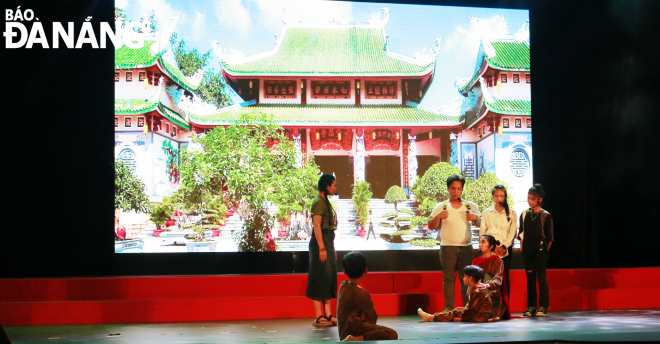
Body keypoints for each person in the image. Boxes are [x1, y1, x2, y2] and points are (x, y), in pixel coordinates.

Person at [428, 174, 482, 312]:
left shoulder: (470, 206)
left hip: (466, 248)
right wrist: (439, 216)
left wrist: (476, 218)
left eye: (459, 188)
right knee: (449, 279)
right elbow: (431, 225)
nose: (456, 191)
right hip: (447, 248)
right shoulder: (441, 206)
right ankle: (449, 309)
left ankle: (468, 307)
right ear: (448, 189)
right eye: (453, 188)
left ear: (462, 190)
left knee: (467, 279)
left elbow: (483, 222)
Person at [338, 252, 398, 342]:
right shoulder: (361, 293)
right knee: (392, 334)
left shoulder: (343, 286)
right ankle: (358, 338)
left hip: (343, 333)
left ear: (344, 271)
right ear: (365, 270)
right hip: (354, 331)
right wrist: (363, 319)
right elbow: (372, 319)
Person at [479, 184, 517, 317]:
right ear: (493, 196)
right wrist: (492, 248)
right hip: (490, 252)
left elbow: (512, 233)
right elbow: (483, 232)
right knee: (489, 280)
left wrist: (503, 247)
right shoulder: (487, 212)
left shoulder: (511, 213)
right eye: (496, 196)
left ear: (505, 197)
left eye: (501, 196)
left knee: (503, 281)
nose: (499, 198)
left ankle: (503, 311)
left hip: (505, 252)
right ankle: (489, 310)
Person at [306, 174, 339, 327]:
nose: (335, 188)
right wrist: (322, 248)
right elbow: (317, 226)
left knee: (329, 276)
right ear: (327, 186)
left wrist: (331, 248)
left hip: (328, 240)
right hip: (321, 241)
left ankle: (328, 313)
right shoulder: (319, 202)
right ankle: (319, 315)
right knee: (319, 276)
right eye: (333, 185)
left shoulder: (326, 201)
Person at [519, 184, 554, 317]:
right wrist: (523, 247)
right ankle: (532, 306)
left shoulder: (546, 215)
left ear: (539, 199)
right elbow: (521, 233)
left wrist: (544, 251)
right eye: (528, 198)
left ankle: (543, 306)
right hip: (527, 252)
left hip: (540, 251)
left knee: (541, 278)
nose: (530, 201)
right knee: (530, 279)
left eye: (532, 199)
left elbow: (549, 238)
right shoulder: (524, 214)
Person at [417, 265, 491, 323]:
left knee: (455, 312)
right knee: (457, 310)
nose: (463, 278)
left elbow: (472, 311)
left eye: (465, 276)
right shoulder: (475, 289)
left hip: (479, 317)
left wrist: (461, 319)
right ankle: (431, 317)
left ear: (470, 278)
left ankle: (430, 317)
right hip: (478, 315)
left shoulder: (478, 291)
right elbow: (472, 307)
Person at [473, 234, 508, 320]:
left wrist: (487, 285)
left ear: (491, 246)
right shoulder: (476, 261)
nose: (480, 244)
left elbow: (498, 279)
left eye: (483, 242)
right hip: (479, 295)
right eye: (480, 242)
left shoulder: (497, 261)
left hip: (493, 295)